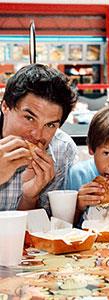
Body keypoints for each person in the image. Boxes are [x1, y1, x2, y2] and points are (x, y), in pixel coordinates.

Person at [0, 63, 78, 214]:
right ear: (5, 107)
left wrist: (30, 198)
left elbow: (42, 231)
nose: (37, 135)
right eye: (29, 118)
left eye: (49, 125)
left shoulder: (62, 150)